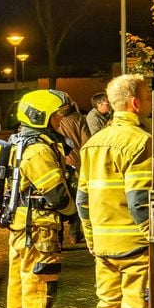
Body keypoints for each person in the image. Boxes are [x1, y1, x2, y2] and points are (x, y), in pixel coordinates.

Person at [76, 74, 153, 308]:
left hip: (104, 248)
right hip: (136, 248)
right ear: (136, 103)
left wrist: (91, 239)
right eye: (147, 96)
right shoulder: (141, 142)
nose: (150, 101)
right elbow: (139, 201)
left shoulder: (92, 144)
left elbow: (82, 200)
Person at [6, 89, 79, 308]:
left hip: (22, 225)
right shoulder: (38, 149)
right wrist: (74, 216)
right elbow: (57, 194)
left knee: (19, 282)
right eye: (57, 116)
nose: (61, 121)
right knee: (39, 286)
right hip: (39, 228)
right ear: (41, 118)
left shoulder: (20, 142)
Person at [55, 101, 90, 245]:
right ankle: (74, 234)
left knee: (59, 199)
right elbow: (87, 141)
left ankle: (58, 238)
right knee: (76, 199)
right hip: (76, 164)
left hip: (59, 164)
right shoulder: (79, 119)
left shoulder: (54, 120)